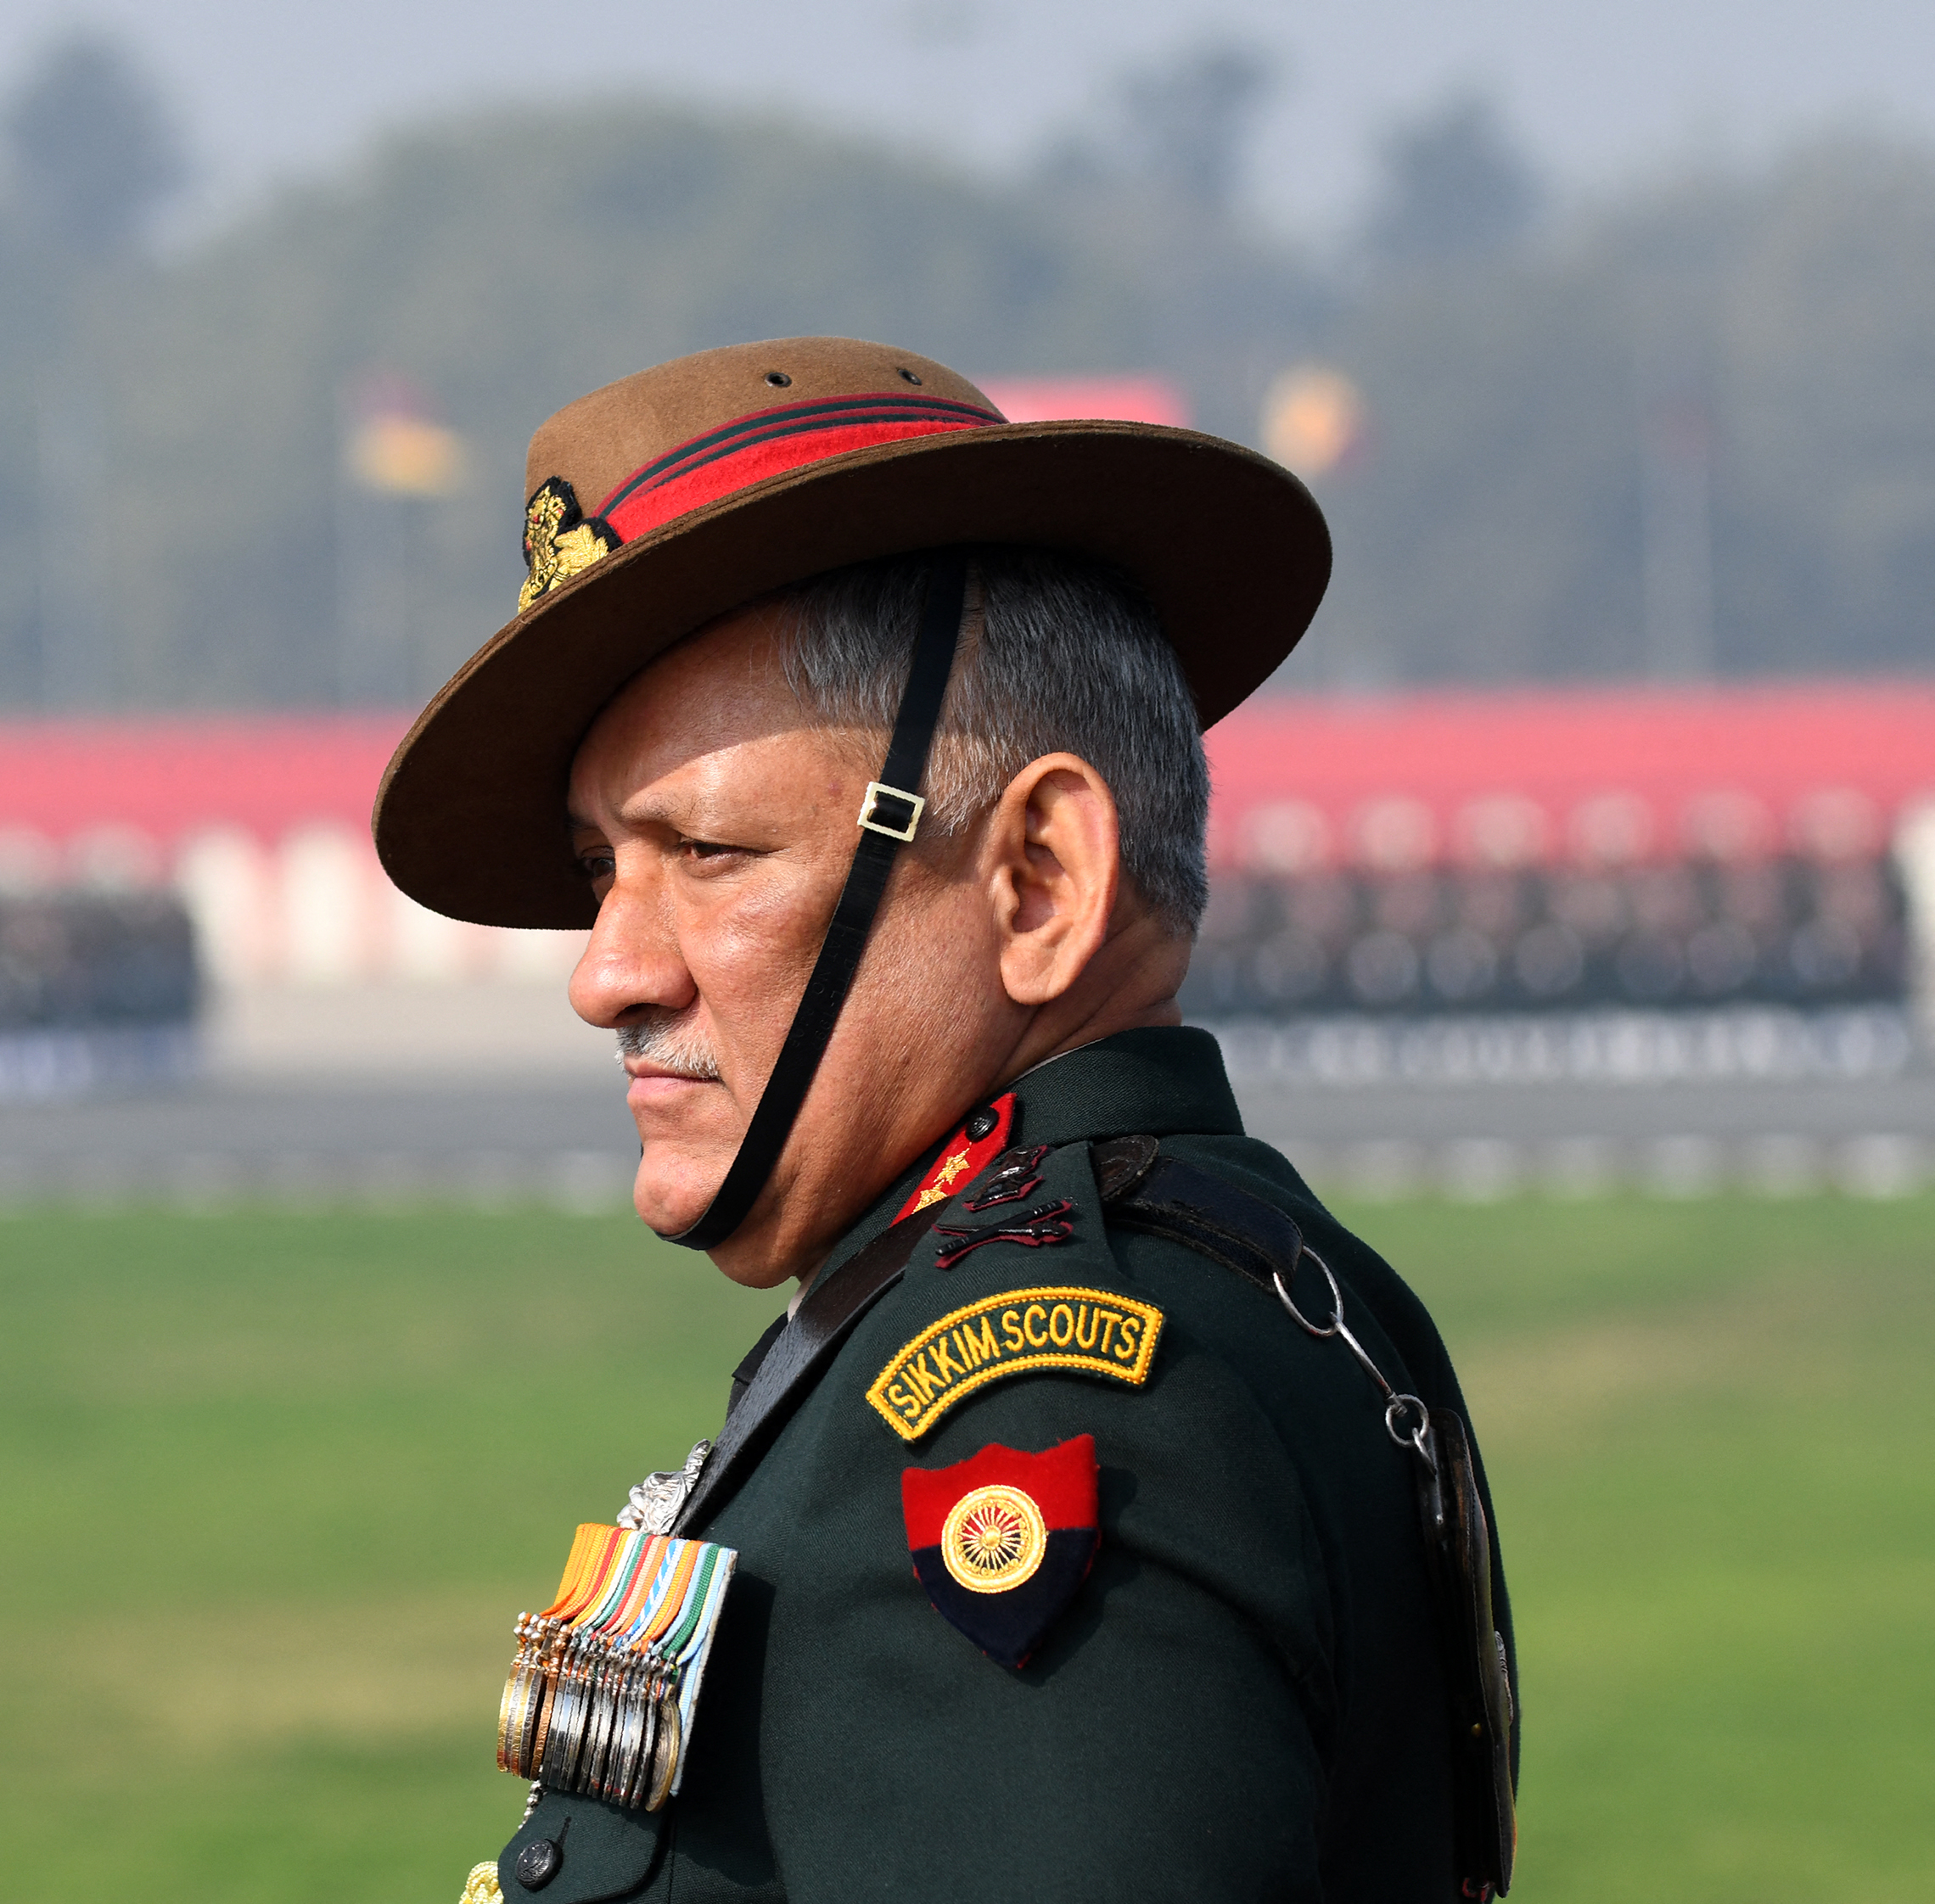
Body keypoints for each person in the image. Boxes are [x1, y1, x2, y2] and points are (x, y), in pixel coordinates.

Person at [373, 338, 1517, 1902]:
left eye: (709, 854)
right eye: (599, 872)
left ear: (1037, 880)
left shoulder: (1042, 1405)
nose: (607, 974)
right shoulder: (1223, 1286)